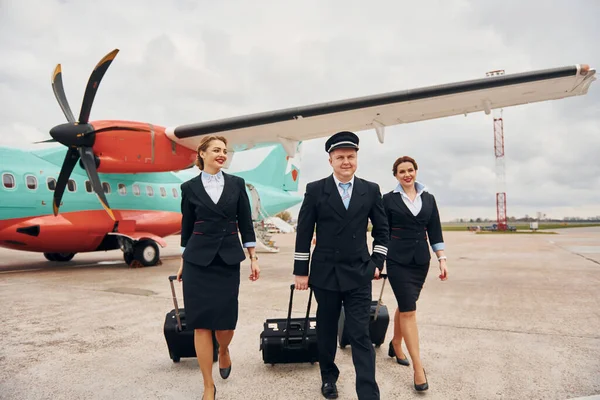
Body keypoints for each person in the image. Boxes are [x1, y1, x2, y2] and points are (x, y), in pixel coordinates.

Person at [293, 131, 389, 400]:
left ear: (356, 158)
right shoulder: (315, 189)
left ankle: (368, 393)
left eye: (351, 156)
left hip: (359, 272)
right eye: (340, 157)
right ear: (330, 160)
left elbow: (383, 230)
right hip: (326, 273)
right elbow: (303, 232)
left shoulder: (370, 190)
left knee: (360, 334)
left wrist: (376, 263)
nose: (346, 161)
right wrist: (301, 270)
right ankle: (328, 377)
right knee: (326, 329)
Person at [176, 135, 260, 400]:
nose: (222, 154)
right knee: (200, 324)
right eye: (216, 150)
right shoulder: (189, 187)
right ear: (202, 154)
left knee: (225, 323)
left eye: (224, 150)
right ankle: (208, 384)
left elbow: (245, 222)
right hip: (197, 261)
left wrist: (253, 257)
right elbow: (186, 227)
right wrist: (182, 261)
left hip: (227, 258)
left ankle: (223, 350)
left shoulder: (237, 184)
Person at [382, 156, 448, 392]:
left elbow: (435, 230)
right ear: (396, 175)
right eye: (402, 171)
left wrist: (442, 259)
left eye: (410, 170)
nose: (407, 174)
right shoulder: (388, 199)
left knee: (405, 304)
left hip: (421, 261)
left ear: (416, 171)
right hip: (397, 260)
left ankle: (396, 342)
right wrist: (379, 259)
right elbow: (382, 231)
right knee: (409, 309)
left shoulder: (428, 198)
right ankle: (418, 369)